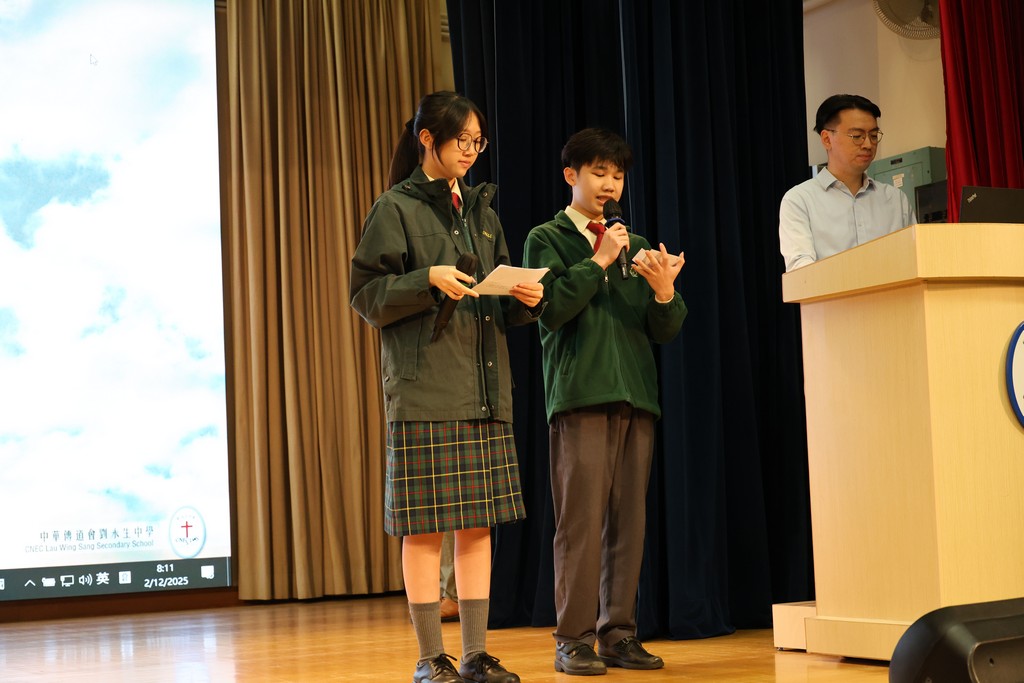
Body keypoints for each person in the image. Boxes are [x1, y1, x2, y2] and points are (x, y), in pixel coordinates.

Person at [350, 91, 543, 683]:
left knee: (478, 525)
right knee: (425, 528)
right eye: (463, 140)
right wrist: (425, 279)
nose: (472, 150)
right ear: (427, 139)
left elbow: (495, 297)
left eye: (478, 141)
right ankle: (431, 657)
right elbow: (366, 296)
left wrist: (525, 299)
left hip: (484, 387)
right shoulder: (395, 207)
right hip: (425, 389)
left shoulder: (482, 211)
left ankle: (476, 655)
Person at [522, 128, 687, 676]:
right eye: (599, 172)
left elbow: (664, 329)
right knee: (580, 523)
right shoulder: (547, 238)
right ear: (571, 175)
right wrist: (598, 260)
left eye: (617, 175)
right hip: (581, 396)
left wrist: (664, 291)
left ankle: (618, 633)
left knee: (628, 522)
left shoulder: (633, 244)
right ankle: (572, 638)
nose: (610, 184)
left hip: (636, 396)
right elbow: (551, 309)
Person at [779, 94, 916, 272]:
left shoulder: (896, 199)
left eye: (874, 135)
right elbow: (802, 272)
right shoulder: (799, 201)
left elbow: (914, 261)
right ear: (827, 139)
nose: (868, 144)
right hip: (831, 291)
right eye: (857, 136)